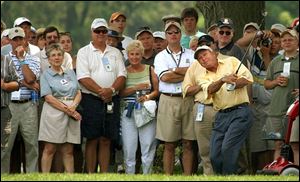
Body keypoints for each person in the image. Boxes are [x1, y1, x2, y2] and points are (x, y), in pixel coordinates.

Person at [76, 18, 126, 173]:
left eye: (104, 31)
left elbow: (122, 76)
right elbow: (83, 77)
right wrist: (101, 92)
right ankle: (91, 174)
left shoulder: (115, 52)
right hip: (91, 99)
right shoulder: (84, 52)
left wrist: (110, 91)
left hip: (112, 99)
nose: (101, 34)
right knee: (92, 138)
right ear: (92, 32)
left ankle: (103, 174)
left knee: (106, 138)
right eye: (98, 31)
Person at [195, 45, 253, 175]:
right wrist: (222, 80)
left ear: (215, 54)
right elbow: (210, 89)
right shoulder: (202, 76)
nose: (203, 59)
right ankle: (223, 176)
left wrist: (234, 84)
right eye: (199, 58)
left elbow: (247, 79)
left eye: (205, 54)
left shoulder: (231, 61)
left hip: (240, 112)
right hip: (221, 115)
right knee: (215, 155)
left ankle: (229, 176)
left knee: (228, 148)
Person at [154, 21, 196, 175]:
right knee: (169, 143)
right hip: (168, 100)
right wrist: (186, 73)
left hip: (188, 99)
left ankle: (187, 176)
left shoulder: (191, 54)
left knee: (188, 143)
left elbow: (195, 75)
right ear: (166, 36)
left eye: (176, 32)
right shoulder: (160, 57)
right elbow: (165, 78)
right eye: (170, 33)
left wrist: (176, 70)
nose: (173, 35)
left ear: (181, 34)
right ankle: (168, 176)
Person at [1, 27, 41, 173]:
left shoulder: (33, 59)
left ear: (25, 40)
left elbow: (31, 78)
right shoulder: (4, 59)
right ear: (10, 41)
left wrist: (22, 60)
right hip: (9, 105)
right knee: (5, 146)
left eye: (20, 39)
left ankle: (32, 176)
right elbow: (4, 84)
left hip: (28, 105)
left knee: (31, 145)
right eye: (15, 39)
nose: (18, 42)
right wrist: (23, 82)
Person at [38, 43, 81, 173]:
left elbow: (78, 92)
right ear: (49, 59)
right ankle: (45, 177)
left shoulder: (70, 73)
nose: (57, 57)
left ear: (63, 57)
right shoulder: (45, 75)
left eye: (59, 55)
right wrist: (69, 111)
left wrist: (73, 106)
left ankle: (70, 177)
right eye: (53, 55)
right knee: (50, 148)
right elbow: (48, 97)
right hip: (53, 113)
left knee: (68, 150)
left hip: (72, 110)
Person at [119, 40, 159, 174]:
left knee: (147, 145)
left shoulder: (150, 69)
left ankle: (147, 174)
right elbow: (120, 93)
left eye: (137, 54)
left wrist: (147, 97)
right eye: (132, 54)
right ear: (128, 55)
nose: (134, 57)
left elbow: (156, 91)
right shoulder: (124, 72)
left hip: (146, 111)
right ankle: (129, 175)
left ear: (142, 55)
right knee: (129, 148)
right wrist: (136, 87)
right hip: (128, 112)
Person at [182, 39, 218, 175]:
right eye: (201, 48)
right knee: (205, 149)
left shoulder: (226, 62)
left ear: (213, 47)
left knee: (225, 147)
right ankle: (209, 175)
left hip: (223, 109)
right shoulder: (195, 65)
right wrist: (203, 86)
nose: (204, 54)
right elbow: (186, 90)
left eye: (208, 45)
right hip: (202, 108)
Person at [264, 29, 299, 162]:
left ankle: (295, 173)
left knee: (295, 145)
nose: (287, 42)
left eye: (291, 39)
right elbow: (266, 83)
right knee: (278, 144)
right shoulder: (275, 61)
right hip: (276, 109)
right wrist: (275, 81)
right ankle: (277, 173)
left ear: (297, 42)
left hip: (296, 110)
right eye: (284, 40)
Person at [1, 54, 19, 174]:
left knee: (3, 146)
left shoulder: (6, 60)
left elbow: (17, 84)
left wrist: (4, 85)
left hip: (3, 109)